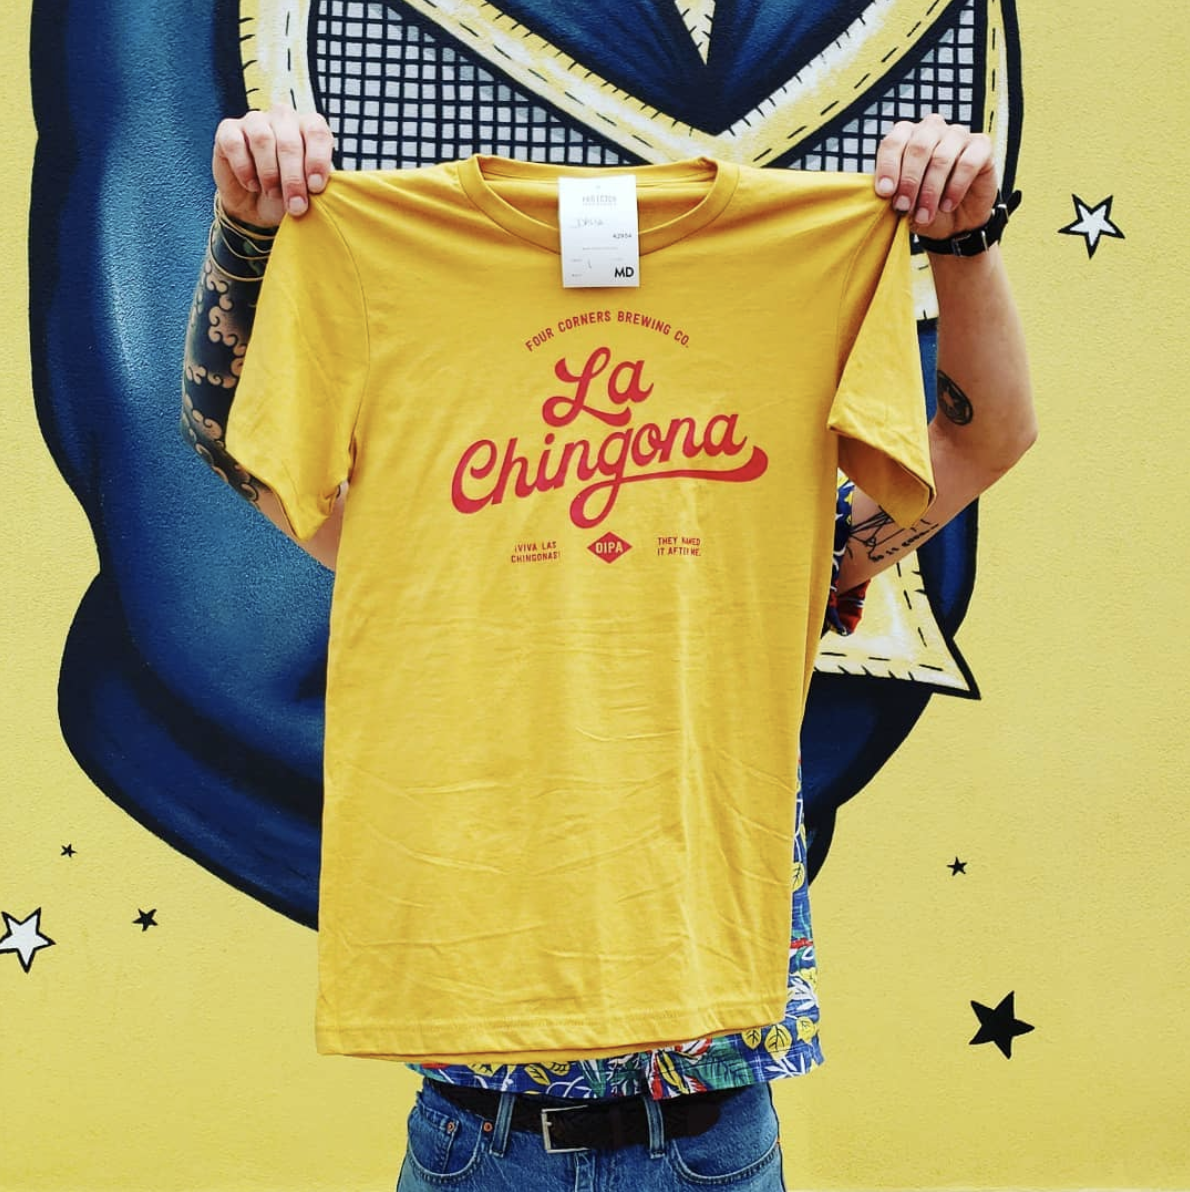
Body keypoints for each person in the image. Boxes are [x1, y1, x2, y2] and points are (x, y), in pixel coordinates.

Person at [183, 105, 1034, 1191]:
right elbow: (232, 435)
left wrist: (960, 240)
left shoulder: (784, 542)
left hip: (708, 1133)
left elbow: (983, 434)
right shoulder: (418, 520)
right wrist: (248, 233)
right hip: (478, 1130)